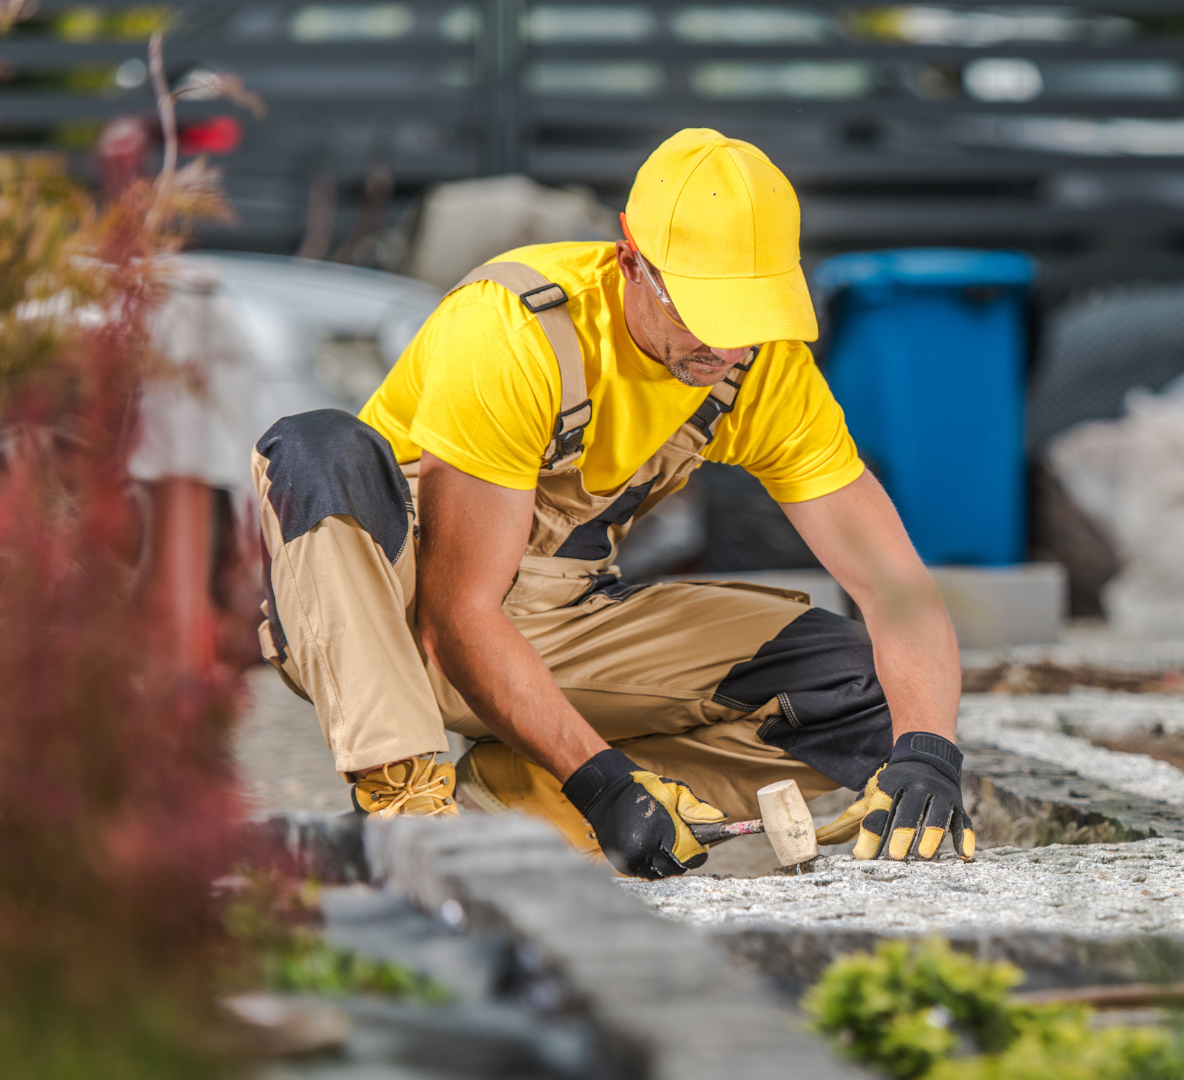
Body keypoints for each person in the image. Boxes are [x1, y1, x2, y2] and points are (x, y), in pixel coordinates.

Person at [249, 129, 975, 878]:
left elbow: (897, 592)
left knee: (869, 695)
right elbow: (454, 615)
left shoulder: (763, 369)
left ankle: (514, 804)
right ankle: (403, 809)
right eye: (706, 315)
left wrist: (929, 753)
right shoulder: (512, 329)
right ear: (632, 259)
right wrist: (603, 778)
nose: (729, 351)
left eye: (751, 317)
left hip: (556, 622)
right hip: (391, 619)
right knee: (315, 445)